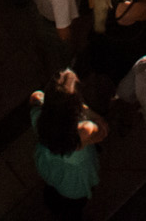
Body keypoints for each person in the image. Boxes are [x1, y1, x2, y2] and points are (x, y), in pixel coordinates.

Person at [29, 70, 107, 217]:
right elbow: (103, 130)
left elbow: (35, 96)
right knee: (73, 210)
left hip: (49, 167)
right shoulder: (83, 131)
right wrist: (85, 110)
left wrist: (48, 101)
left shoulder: (39, 117)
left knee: (54, 194)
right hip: (73, 185)